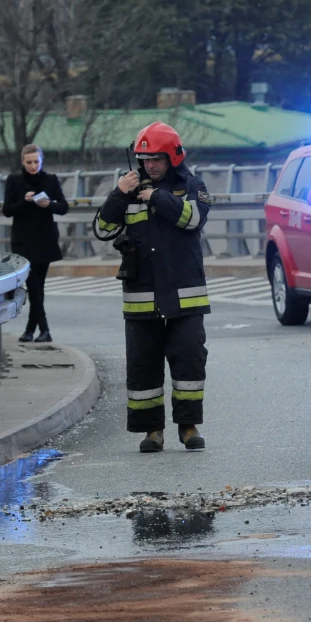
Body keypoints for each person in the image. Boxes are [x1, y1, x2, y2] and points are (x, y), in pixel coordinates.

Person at [95, 122, 212, 453]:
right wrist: (119, 194)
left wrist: (157, 197)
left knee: (189, 364)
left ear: (173, 157)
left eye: (156, 159)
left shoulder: (192, 186)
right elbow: (103, 229)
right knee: (143, 367)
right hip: (141, 299)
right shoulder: (129, 189)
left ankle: (188, 427)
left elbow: (193, 219)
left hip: (185, 298)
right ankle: (152, 431)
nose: (150, 166)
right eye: (145, 160)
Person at [2, 144, 69, 342]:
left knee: (38, 287)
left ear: (42, 161)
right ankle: (44, 329)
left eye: (36, 162)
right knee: (32, 285)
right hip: (23, 241)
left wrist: (49, 204)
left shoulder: (50, 180)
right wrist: (25, 201)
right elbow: (7, 210)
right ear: (23, 162)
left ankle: (30, 330)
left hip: (44, 239)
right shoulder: (14, 181)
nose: (33, 166)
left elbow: (64, 207)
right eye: (29, 162)